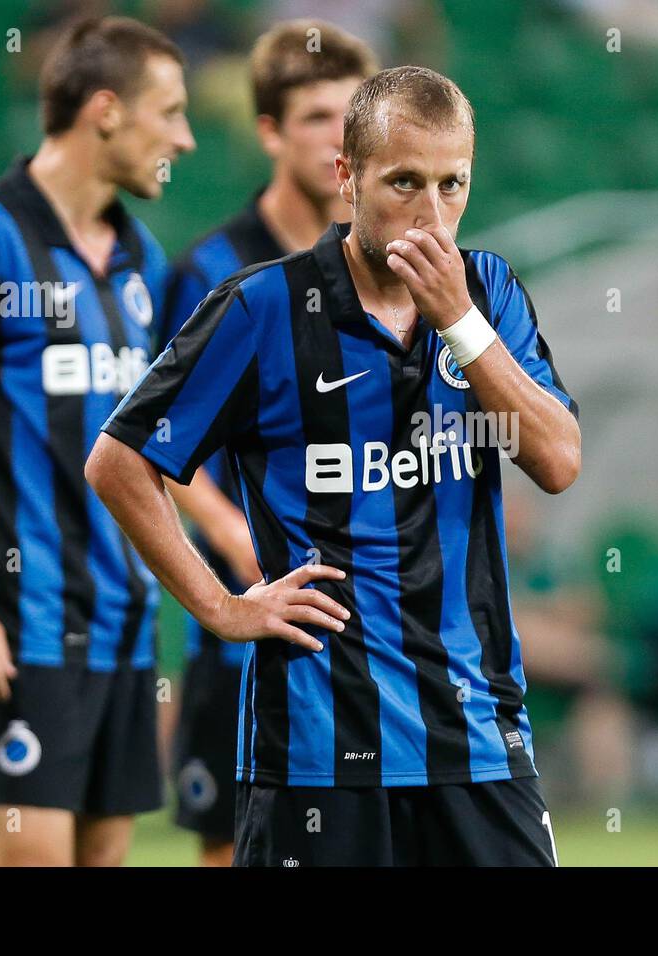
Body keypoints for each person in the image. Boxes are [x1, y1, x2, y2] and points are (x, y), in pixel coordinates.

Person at [87, 65, 580, 866]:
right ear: (346, 178)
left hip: (479, 736)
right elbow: (118, 462)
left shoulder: (488, 294)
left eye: (452, 184)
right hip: (318, 749)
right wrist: (221, 607)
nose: (431, 214)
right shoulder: (262, 308)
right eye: (404, 182)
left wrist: (459, 323)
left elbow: (557, 460)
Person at [0, 16, 194, 866]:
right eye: (169, 112)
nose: (186, 139)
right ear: (105, 111)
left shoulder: (140, 260)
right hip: (21, 617)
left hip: (124, 623)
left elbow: (146, 447)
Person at [161, 18, 377, 867]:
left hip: (364, 601)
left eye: (352, 119)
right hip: (249, 601)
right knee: (233, 843)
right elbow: (153, 446)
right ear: (269, 132)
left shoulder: (382, 267)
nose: (338, 140)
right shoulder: (214, 267)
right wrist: (231, 539)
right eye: (319, 117)